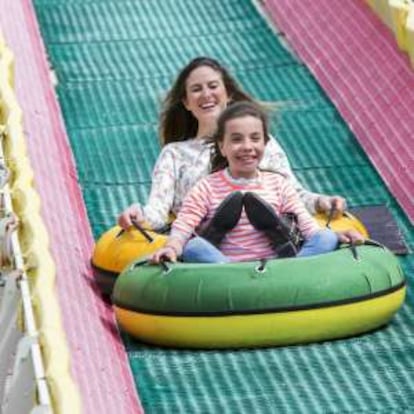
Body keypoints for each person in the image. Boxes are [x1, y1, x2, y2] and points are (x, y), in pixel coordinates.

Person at [118, 56, 346, 232]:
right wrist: (141, 215)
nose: (206, 94)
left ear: (227, 93)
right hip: (206, 243)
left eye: (213, 86)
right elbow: (158, 208)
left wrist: (320, 201)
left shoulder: (259, 143)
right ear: (186, 103)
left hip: (265, 237)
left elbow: (292, 194)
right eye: (196, 89)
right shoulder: (175, 154)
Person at [151, 102, 363, 264]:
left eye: (255, 138)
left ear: (265, 144)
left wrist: (335, 237)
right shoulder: (206, 187)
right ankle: (232, 275)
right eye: (236, 140)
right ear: (222, 147)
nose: (247, 146)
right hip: (226, 265)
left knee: (325, 237)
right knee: (194, 247)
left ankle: (293, 271)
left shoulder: (278, 184)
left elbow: (306, 224)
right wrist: (172, 247)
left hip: (277, 263)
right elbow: (185, 222)